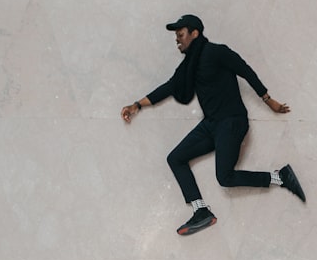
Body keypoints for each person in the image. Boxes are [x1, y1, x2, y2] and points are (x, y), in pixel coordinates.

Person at [121, 14, 305, 235]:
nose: (177, 39)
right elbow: (170, 86)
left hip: (231, 122)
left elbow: (245, 70)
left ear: (195, 33)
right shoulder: (189, 65)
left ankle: (280, 177)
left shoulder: (217, 52)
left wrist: (268, 100)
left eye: (180, 34)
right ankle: (201, 211)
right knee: (175, 158)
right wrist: (136, 105)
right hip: (211, 125)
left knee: (224, 178)